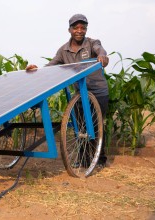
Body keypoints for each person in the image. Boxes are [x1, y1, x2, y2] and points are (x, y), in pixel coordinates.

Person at [26, 14, 109, 167]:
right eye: (76, 27)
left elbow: (100, 50)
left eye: (82, 28)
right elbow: (52, 66)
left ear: (86, 29)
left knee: (96, 125)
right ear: (69, 30)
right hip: (80, 93)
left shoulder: (92, 43)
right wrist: (37, 70)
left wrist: (103, 56)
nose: (79, 30)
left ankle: (100, 158)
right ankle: (84, 159)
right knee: (81, 125)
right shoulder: (63, 50)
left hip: (98, 91)